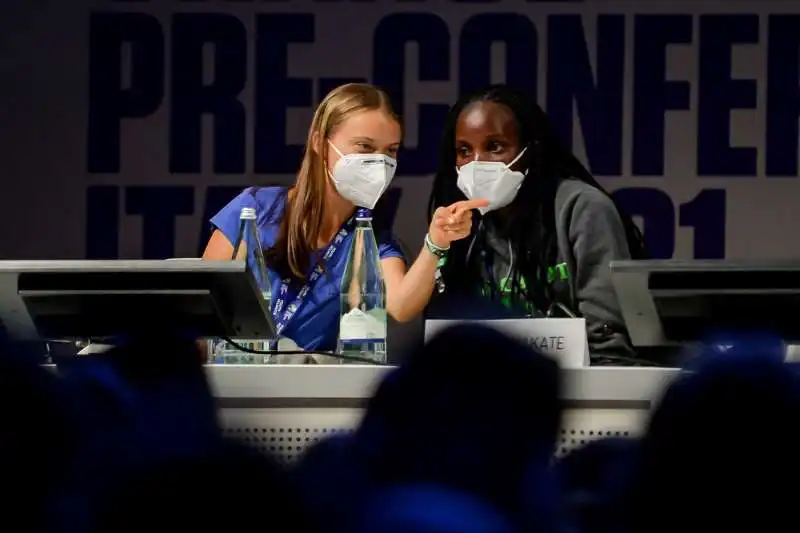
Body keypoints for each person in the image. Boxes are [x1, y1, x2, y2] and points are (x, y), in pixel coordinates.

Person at [202, 83, 485, 352]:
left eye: (391, 150)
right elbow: (199, 305)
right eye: (364, 146)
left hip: (306, 388)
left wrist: (435, 243)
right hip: (232, 379)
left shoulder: (371, 238)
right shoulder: (253, 209)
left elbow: (401, 306)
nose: (379, 162)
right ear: (319, 142)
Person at [426, 84, 648, 362]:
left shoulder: (581, 208)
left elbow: (607, 344)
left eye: (494, 147)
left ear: (529, 151)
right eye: (464, 150)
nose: (477, 163)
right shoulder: (461, 225)